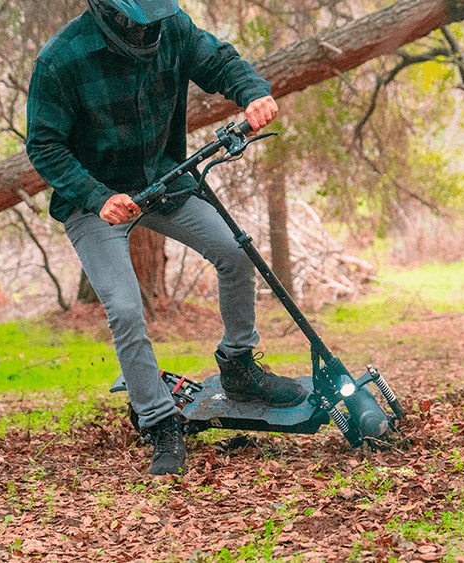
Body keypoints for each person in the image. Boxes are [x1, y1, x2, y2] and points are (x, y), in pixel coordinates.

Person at [26, 0, 307, 476]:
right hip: (95, 204)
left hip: (163, 183)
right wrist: (97, 196)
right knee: (124, 306)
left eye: (157, 17)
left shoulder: (173, 27)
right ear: (112, 14)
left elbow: (218, 60)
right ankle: (159, 421)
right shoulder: (61, 59)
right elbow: (44, 145)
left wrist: (252, 92)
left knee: (234, 252)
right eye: (142, 21)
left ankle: (238, 365)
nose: (151, 29)